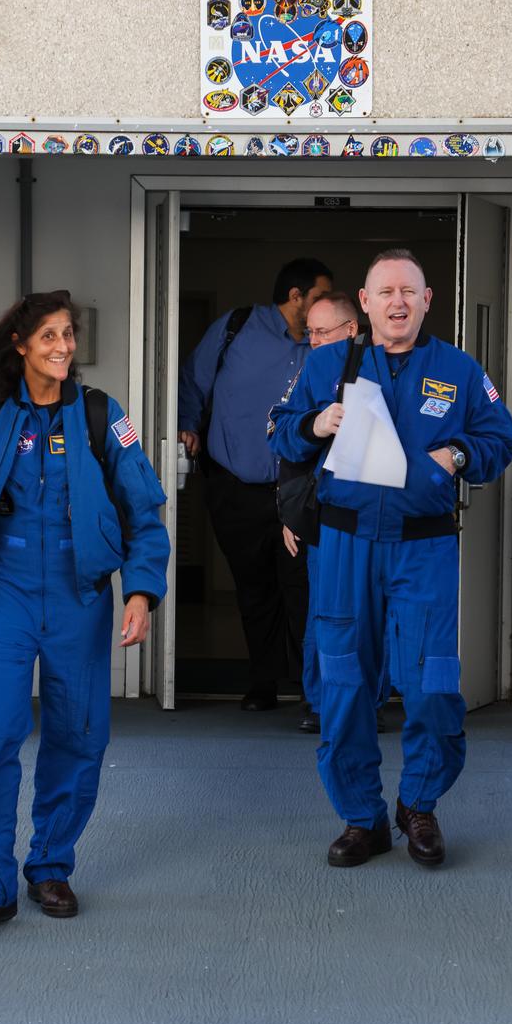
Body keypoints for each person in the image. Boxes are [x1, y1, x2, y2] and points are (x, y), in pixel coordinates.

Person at [0, 291, 170, 942]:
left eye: (68, 333)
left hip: (80, 595)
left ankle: (49, 865)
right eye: (47, 335)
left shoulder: (101, 414)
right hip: (6, 596)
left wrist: (141, 591)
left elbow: (144, 510)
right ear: (20, 344)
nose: (62, 345)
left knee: (79, 736)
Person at [268, 249, 512, 869]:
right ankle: (363, 819)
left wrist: (459, 453)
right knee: (344, 687)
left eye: (409, 291)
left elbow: (501, 436)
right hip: (344, 548)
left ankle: (418, 805)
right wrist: (315, 423)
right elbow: (278, 429)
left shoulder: (459, 370)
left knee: (432, 686)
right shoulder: (328, 363)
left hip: (423, 547)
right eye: (385, 292)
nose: (398, 302)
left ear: (427, 300)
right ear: (365, 302)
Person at [178, 257, 332, 711]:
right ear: (296, 297)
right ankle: (262, 683)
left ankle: (313, 692)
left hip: (300, 491)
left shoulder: (325, 345)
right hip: (236, 487)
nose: (324, 310)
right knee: (254, 589)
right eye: (320, 296)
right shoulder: (236, 328)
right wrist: (188, 423)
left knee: (303, 589)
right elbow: (194, 380)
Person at [278, 291, 360, 734]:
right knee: (323, 614)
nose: (311, 340)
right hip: (323, 513)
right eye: (307, 331)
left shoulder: (391, 366)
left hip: (380, 516)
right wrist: (290, 513)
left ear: (351, 330)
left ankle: (368, 698)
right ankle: (320, 703)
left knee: (373, 612)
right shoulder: (311, 371)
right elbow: (283, 438)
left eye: (320, 332)